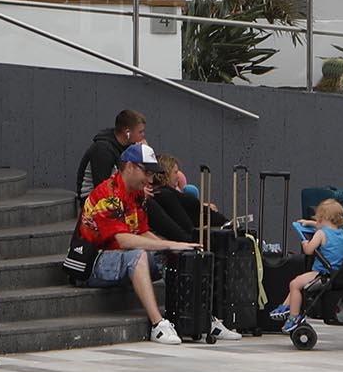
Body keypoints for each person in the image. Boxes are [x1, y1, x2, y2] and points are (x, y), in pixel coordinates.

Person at [74, 140, 198, 344]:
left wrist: (172, 247)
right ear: (130, 167)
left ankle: (196, 318)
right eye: (146, 172)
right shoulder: (108, 194)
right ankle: (158, 325)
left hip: (119, 257)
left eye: (152, 174)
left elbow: (142, 232)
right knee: (138, 255)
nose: (150, 179)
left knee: (178, 256)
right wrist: (168, 244)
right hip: (93, 262)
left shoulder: (137, 194)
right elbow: (122, 240)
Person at [270, 198, 343, 331]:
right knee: (299, 283)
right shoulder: (342, 233)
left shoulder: (321, 234)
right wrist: (309, 223)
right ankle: (284, 307)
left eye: (318, 219)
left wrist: (305, 243)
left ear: (323, 217)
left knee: (294, 284)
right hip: (336, 273)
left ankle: (293, 316)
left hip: (321, 273)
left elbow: (309, 251)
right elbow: (323, 226)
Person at [144, 155, 228, 244]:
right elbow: (185, 227)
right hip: (202, 236)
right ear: (166, 174)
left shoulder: (168, 193)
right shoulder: (164, 194)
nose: (178, 177)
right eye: (175, 172)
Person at [72, 110, 144, 207]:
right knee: (144, 203)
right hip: (92, 200)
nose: (143, 135)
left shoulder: (128, 147)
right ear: (128, 133)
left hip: (115, 193)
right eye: (140, 132)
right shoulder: (102, 150)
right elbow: (102, 187)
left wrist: (143, 154)